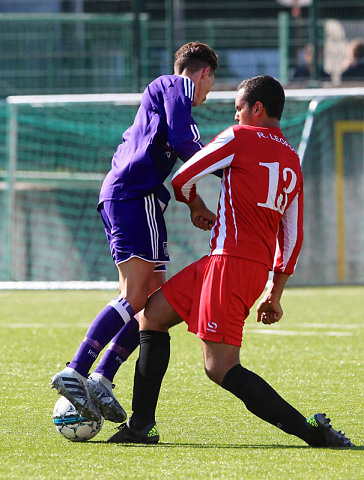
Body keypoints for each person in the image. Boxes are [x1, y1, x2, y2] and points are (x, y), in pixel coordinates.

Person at [107, 75, 354, 448]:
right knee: (152, 316)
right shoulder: (291, 159)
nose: (235, 115)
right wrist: (275, 292)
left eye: (238, 108)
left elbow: (184, 178)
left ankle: (312, 432)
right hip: (238, 266)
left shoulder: (239, 137)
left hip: (229, 265)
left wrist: (196, 205)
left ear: (256, 108)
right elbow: (293, 236)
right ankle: (142, 425)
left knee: (219, 367)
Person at [50, 41, 219, 422]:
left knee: (154, 300)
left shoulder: (164, 100)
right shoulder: (178, 86)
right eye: (212, 82)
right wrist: (230, 167)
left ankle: (102, 379)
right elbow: (184, 142)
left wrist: (194, 203)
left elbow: (177, 153)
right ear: (204, 72)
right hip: (133, 195)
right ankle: (75, 370)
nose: (209, 92)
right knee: (135, 293)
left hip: (140, 198)